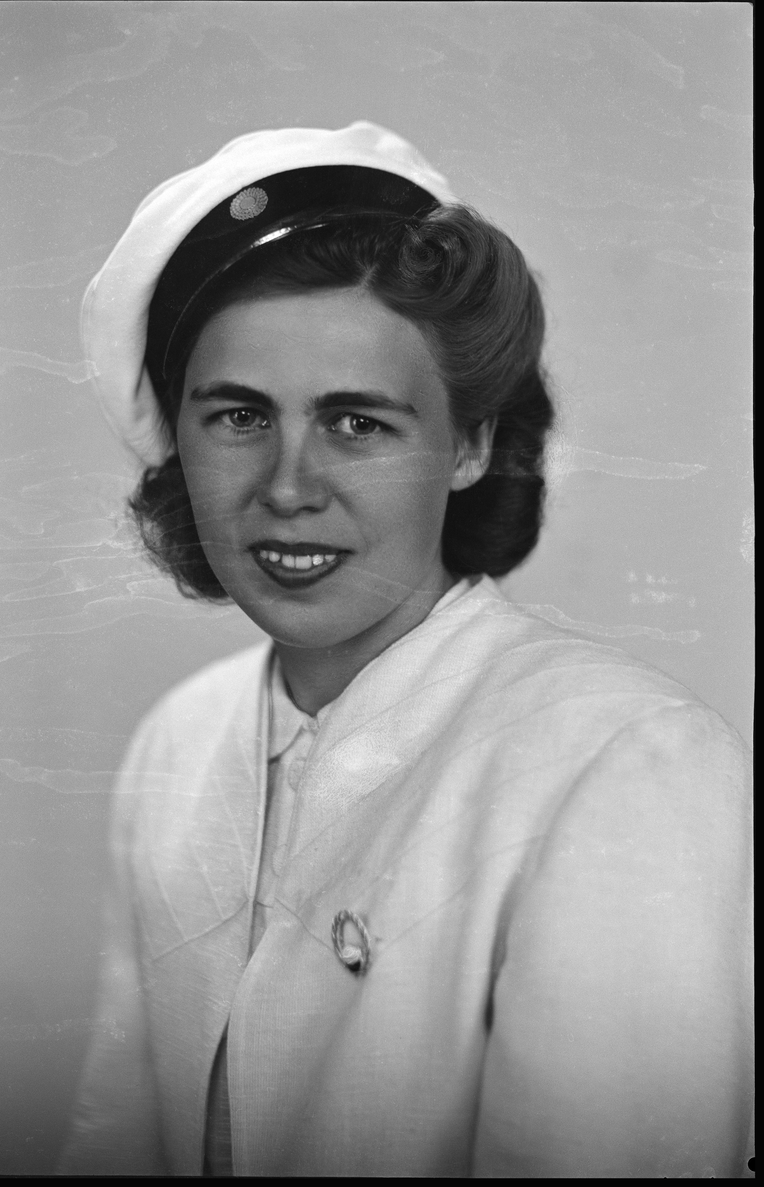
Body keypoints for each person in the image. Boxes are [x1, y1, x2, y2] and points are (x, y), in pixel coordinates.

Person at [58, 122, 752, 1178]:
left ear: (468, 444)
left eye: (357, 423)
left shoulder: (622, 762)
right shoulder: (178, 742)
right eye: (239, 416)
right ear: (177, 441)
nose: (288, 487)